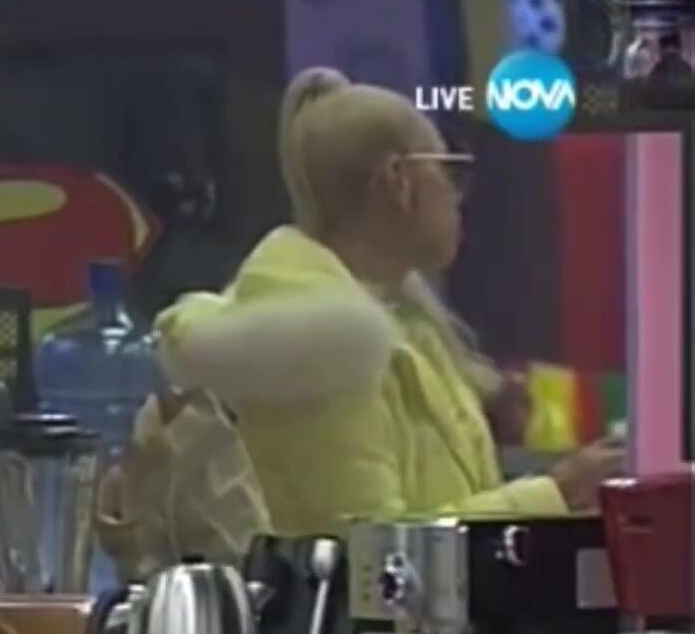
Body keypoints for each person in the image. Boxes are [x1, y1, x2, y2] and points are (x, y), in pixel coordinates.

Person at [149, 66, 624, 538]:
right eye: (448, 170)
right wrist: (554, 495)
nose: (457, 197)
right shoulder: (325, 347)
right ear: (398, 180)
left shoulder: (401, 322)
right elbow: (368, 554)